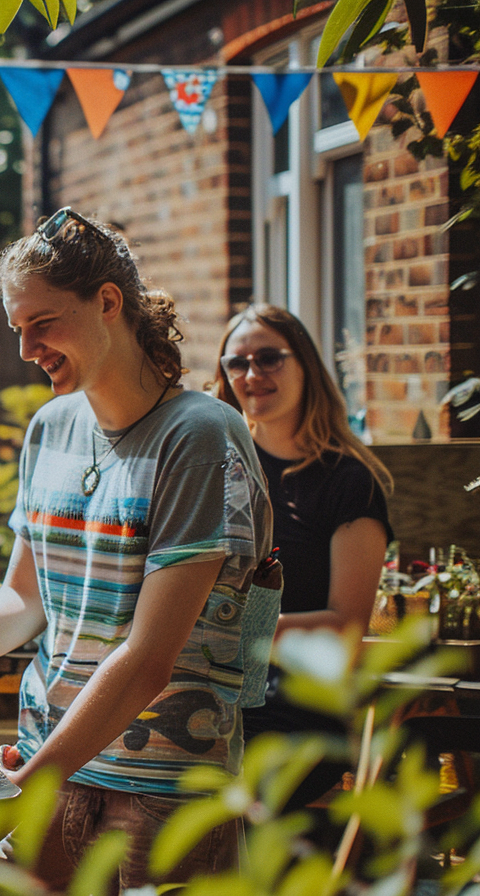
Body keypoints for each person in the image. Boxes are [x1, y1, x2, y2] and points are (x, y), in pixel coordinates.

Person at [0, 207, 273, 893]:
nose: (25, 348)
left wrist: (36, 776)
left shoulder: (199, 436)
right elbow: (22, 600)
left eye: (43, 323)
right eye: (18, 328)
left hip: (165, 791)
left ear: (107, 303)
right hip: (49, 763)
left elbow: (149, 659)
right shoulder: (49, 428)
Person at [211, 303, 392, 809]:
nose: (252, 374)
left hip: (295, 703)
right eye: (237, 363)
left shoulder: (348, 482)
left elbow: (348, 624)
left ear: (305, 366)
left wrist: (241, 626)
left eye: (270, 358)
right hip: (212, 689)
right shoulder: (215, 470)